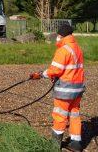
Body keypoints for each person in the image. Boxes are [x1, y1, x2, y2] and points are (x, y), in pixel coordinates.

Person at [30, 24, 85, 152]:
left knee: (60, 116)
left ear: (61, 35)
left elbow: (55, 70)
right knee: (75, 115)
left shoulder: (63, 50)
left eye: (58, 36)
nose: (57, 38)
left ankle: (55, 146)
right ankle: (76, 143)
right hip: (77, 89)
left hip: (65, 91)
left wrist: (41, 74)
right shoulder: (77, 48)